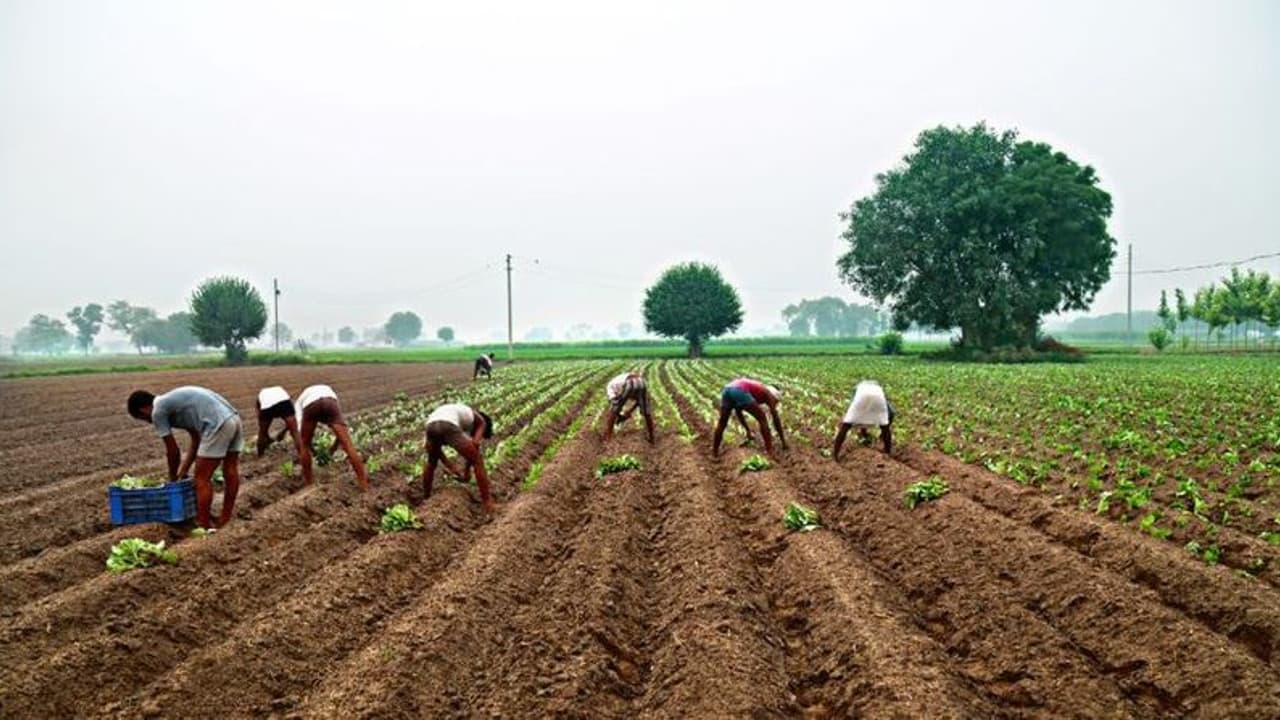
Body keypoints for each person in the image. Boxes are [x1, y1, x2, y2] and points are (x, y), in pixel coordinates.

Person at [127, 386, 243, 530]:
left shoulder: (158, 411)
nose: (148, 422)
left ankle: (203, 525)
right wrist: (183, 470)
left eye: (143, 419)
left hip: (217, 424)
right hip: (233, 419)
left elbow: (172, 451)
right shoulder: (172, 403)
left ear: (143, 410)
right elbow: (196, 440)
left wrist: (172, 478)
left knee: (201, 479)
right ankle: (224, 518)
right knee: (230, 469)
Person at [293, 384, 371, 490]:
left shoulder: (298, 406)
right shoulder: (329, 395)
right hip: (330, 401)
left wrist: (314, 450)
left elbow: (304, 438)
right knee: (348, 445)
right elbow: (340, 434)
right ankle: (364, 484)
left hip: (311, 405)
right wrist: (332, 449)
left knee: (304, 444)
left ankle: (309, 484)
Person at [423, 403, 495, 513]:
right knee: (478, 461)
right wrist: (466, 473)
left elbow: (435, 452)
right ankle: (488, 503)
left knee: (431, 463)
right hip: (448, 424)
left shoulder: (460, 414)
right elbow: (475, 446)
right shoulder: (480, 422)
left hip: (430, 426)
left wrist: (451, 467)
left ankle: (426, 497)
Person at [713, 378, 787, 459]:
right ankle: (769, 451)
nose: (774, 403)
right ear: (774, 396)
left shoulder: (756, 392)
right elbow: (775, 418)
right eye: (776, 401)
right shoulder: (767, 393)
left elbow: (738, 411)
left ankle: (714, 452)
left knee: (722, 423)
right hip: (739, 389)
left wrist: (748, 430)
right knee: (762, 418)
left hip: (727, 389)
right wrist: (783, 441)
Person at [833, 380, 896, 458]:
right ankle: (887, 452)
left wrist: (847, 419)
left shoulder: (857, 388)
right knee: (884, 426)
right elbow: (892, 412)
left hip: (861, 396)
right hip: (878, 397)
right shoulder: (878, 388)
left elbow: (858, 408)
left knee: (846, 426)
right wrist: (884, 429)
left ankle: (835, 454)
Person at [603, 370, 654, 443]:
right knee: (646, 412)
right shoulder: (618, 384)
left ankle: (608, 437)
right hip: (642, 381)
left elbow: (614, 403)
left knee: (613, 410)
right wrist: (629, 411)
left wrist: (619, 415)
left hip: (630, 381)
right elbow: (638, 402)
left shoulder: (610, 387)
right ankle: (652, 437)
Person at [254, 385, 299, 456]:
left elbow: (261, 421)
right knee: (295, 432)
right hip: (283, 402)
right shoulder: (280, 390)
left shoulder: (261, 395)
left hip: (267, 406)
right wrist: (283, 432)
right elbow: (291, 423)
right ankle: (302, 452)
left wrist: (281, 433)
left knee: (261, 433)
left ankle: (260, 455)